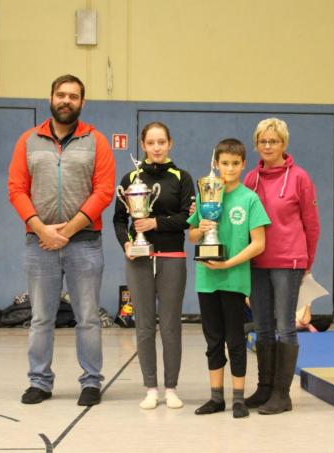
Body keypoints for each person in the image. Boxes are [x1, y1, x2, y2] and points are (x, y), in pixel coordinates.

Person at [8, 74, 116, 407]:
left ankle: (91, 383)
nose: (66, 100)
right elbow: (16, 189)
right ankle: (39, 382)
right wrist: (42, 229)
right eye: (61, 94)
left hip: (84, 242)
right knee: (41, 317)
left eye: (73, 96)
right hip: (39, 243)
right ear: (51, 98)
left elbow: (104, 191)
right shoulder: (28, 140)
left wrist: (65, 232)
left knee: (87, 316)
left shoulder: (96, 141)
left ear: (82, 103)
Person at [113, 121, 195, 410]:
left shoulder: (182, 177)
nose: (157, 147)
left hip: (172, 256)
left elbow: (187, 217)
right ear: (143, 144)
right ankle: (150, 388)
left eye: (162, 142)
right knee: (144, 324)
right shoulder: (130, 178)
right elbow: (119, 219)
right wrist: (126, 243)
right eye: (151, 142)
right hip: (139, 259)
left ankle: (171, 387)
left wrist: (155, 223)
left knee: (171, 324)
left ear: (170, 143)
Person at [188, 138, 270, 419]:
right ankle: (215, 397)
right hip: (206, 280)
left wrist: (228, 263)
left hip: (234, 279)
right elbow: (192, 236)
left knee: (235, 339)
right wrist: (201, 228)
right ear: (216, 164)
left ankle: (238, 398)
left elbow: (259, 243)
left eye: (235, 164)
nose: (230, 168)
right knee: (213, 340)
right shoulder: (205, 193)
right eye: (225, 163)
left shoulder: (249, 199)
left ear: (243, 164)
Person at [243, 117, 320, 415]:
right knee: (262, 327)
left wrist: (307, 263)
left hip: (289, 262)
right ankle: (264, 388)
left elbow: (311, 224)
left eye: (273, 141)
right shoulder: (252, 179)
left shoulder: (299, 177)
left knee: (285, 326)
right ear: (256, 144)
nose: (267, 146)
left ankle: (282, 394)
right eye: (262, 141)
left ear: (284, 144)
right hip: (258, 262)